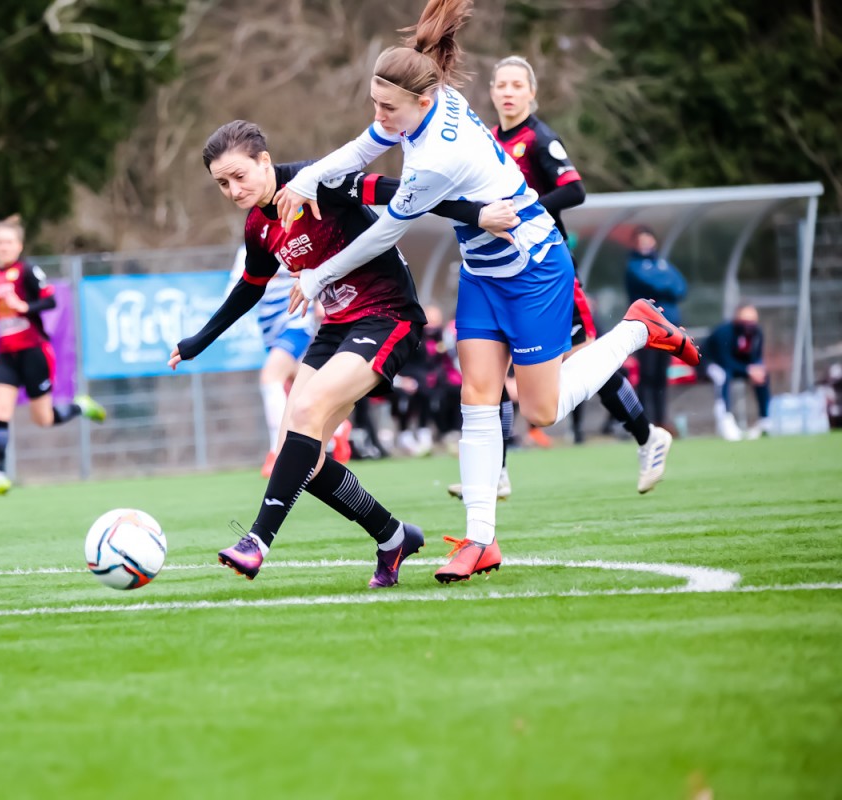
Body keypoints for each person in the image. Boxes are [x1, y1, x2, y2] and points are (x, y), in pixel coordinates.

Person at [273, 0, 701, 584]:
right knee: (477, 395)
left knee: (541, 411)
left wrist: (317, 275)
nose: (379, 114)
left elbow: (385, 232)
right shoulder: (425, 102)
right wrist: (304, 179)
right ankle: (480, 541)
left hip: (533, 267)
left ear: (422, 101)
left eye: (387, 106)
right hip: (481, 269)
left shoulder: (436, 159)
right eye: (375, 102)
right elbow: (363, 145)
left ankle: (636, 328)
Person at [169, 119, 516, 588]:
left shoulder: (319, 181)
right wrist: (198, 341)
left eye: (239, 176)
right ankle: (392, 535)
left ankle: (256, 542)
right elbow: (250, 286)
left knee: (307, 413)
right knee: (299, 456)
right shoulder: (258, 226)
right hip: (336, 327)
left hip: (388, 316)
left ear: (264, 161)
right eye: (222, 183)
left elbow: (402, 192)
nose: (233, 190)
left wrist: (476, 214)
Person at [444, 55, 671, 496]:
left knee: (583, 360)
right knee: (493, 367)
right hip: (503, 275)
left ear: (532, 93)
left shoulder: (540, 139)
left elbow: (575, 189)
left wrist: (525, 212)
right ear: (491, 92)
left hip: (546, 274)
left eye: (517, 85)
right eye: (501, 85)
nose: (508, 92)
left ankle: (649, 437)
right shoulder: (489, 140)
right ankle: (497, 472)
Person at [0, 215, 106, 497]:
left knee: (43, 419)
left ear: (18, 246)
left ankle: (80, 406)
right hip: (7, 355)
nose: (3, 247)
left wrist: (24, 306)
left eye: (8, 242)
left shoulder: (27, 271)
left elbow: (50, 300)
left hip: (33, 352)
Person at [225, 245, 329, 477]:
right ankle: (340, 431)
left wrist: (320, 302)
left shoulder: (294, 243)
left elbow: (317, 272)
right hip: (270, 329)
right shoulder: (247, 251)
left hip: (296, 324)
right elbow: (233, 290)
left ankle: (278, 451)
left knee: (270, 377)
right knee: (303, 387)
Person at [626, 225, 688, 431]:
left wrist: (666, 284)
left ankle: (662, 420)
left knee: (661, 374)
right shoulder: (633, 266)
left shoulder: (662, 263)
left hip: (668, 329)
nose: (644, 244)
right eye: (640, 240)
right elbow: (656, 285)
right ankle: (646, 422)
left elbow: (681, 287)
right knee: (647, 374)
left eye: (647, 239)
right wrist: (666, 284)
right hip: (647, 327)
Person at [702, 304, 771, 440]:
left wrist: (756, 369)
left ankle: (765, 421)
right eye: (746, 321)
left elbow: (756, 357)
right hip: (709, 363)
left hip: (736, 366)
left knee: (762, 375)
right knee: (722, 376)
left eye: (752, 321)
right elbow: (725, 361)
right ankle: (725, 419)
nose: (749, 325)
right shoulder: (724, 332)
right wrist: (748, 370)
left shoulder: (757, 333)